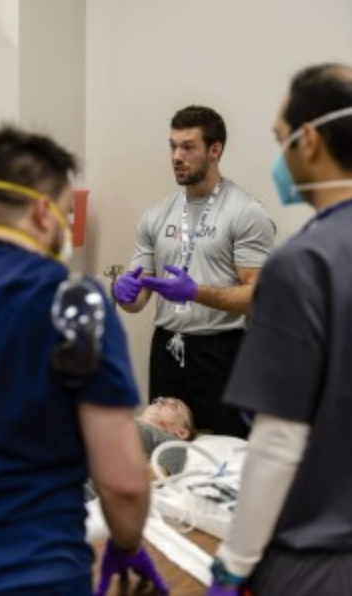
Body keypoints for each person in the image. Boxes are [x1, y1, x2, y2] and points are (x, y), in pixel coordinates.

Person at [0, 126, 168, 596]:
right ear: (42, 212)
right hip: (38, 573)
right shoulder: (74, 302)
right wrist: (127, 544)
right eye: (67, 212)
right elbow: (123, 482)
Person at [205, 63, 352, 596]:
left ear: (307, 139)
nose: (279, 158)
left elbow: (279, 440)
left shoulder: (305, 262)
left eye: (279, 138)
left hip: (319, 560)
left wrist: (233, 567)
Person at [112, 105, 275, 437]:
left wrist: (196, 292)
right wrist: (123, 293)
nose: (176, 156)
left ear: (215, 151)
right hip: (167, 348)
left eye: (188, 147)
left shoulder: (245, 213)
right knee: (159, 446)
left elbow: (259, 295)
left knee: (227, 450)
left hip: (222, 349)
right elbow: (138, 298)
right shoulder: (155, 215)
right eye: (172, 145)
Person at [137, 396, 196, 475]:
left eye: (174, 406)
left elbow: (154, 474)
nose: (160, 401)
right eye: (157, 401)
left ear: (181, 432)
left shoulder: (173, 443)